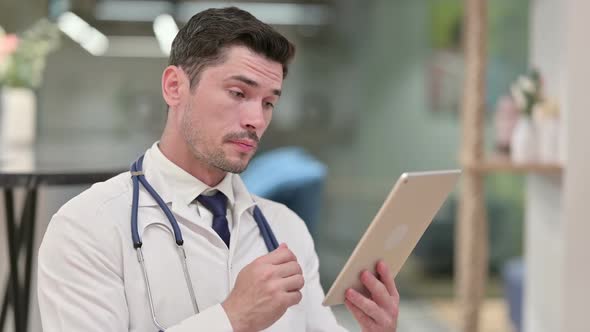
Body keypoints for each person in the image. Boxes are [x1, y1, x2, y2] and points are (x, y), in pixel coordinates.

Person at [37, 7, 399, 332]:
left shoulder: (286, 229)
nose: (257, 119)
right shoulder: (87, 228)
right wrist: (232, 318)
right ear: (175, 86)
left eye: (269, 102)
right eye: (239, 93)